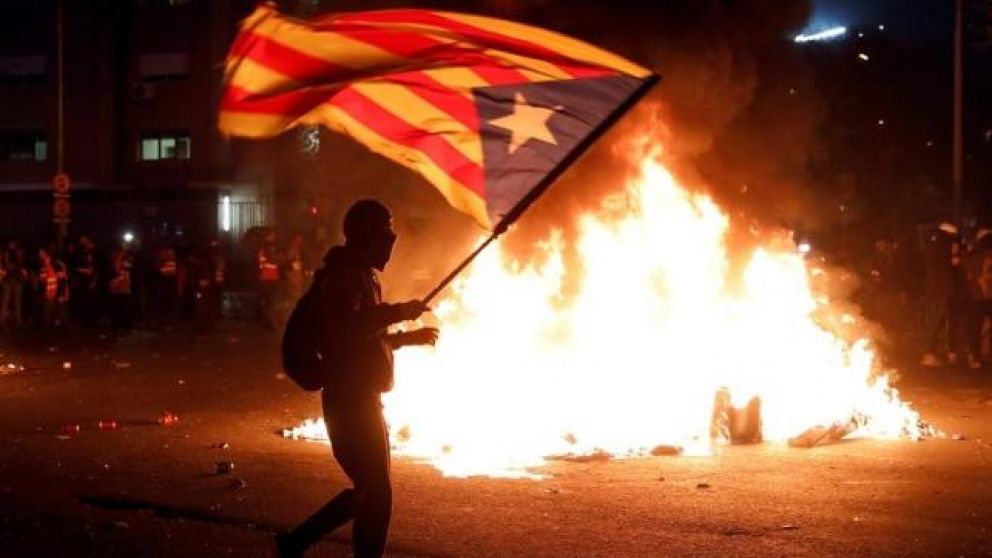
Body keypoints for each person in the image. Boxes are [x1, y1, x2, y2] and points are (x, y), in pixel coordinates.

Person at [277, 200, 439, 558]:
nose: (389, 247)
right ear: (365, 237)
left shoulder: (361, 275)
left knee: (370, 488)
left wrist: (405, 338)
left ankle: (295, 542)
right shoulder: (346, 278)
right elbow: (347, 331)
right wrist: (398, 312)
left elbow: (361, 340)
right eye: (384, 238)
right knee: (375, 491)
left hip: (361, 397)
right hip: (349, 401)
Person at [1, 239, 26, 328]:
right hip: (8, 279)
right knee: (6, 300)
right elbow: (6, 265)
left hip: (17, 279)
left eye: (14, 243)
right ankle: (2, 320)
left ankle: (18, 320)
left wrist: (18, 265)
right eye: (11, 243)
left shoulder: (19, 253)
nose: (12, 245)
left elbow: (21, 265)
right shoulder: (5, 253)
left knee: (17, 301)